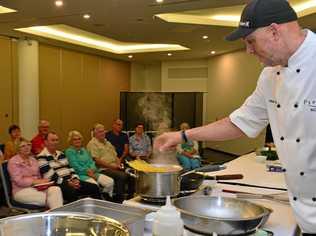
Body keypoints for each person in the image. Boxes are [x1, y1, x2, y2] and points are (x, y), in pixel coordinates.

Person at [154, 0, 316, 233]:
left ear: (274, 31)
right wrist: (182, 135)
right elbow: (239, 122)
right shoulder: (270, 76)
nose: (248, 50)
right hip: (302, 213)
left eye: (251, 41)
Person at [37, 131, 101, 202]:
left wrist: (75, 179)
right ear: (46, 142)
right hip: (58, 184)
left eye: (57, 140)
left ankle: (95, 211)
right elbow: (50, 177)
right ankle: (75, 212)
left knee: (94, 187)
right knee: (72, 192)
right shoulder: (41, 157)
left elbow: (71, 169)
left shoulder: (61, 154)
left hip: (70, 181)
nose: (55, 142)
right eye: (53, 140)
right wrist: (68, 183)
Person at [8, 140, 63, 209]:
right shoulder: (13, 161)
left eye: (28, 145)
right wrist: (34, 182)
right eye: (23, 146)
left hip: (36, 188)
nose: (27, 147)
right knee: (52, 198)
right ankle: (57, 217)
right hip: (21, 191)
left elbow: (38, 177)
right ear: (18, 149)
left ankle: (54, 216)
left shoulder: (33, 160)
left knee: (56, 189)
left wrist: (44, 181)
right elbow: (18, 181)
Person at [87, 124, 135, 203]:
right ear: (95, 133)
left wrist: (118, 164)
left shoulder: (107, 143)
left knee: (132, 173)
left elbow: (116, 156)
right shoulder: (92, 144)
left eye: (103, 131)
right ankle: (119, 200)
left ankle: (130, 198)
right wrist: (112, 166)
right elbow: (96, 160)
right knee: (122, 176)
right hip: (103, 169)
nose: (102, 133)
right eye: (100, 132)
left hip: (114, 167)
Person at [65, 130, 114, 198]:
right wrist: (88, 172)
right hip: (81, 175)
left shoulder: (84, 150)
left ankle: (105, 197)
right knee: (94, 185)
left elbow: (91, 162)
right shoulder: (69, 152)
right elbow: (75, 166)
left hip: (93, 172)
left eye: (79, 139)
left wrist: (92, 170)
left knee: (110, 182)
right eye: (74, 139)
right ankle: (97, 200)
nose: (77, 141)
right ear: (71, 141)